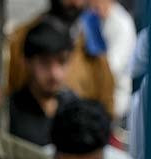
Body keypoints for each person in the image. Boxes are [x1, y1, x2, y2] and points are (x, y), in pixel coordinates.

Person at [8, 0, 116, 116]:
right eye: (45, 62)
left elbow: (107, 107)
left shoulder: (94, 46)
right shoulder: (21, 41)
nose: (75, 2)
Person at [9, 17, 77, 148]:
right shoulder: (10, 112)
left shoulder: (74, 107)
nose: (54, 73)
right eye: (45, 63)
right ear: (27, 62)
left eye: (62, 62)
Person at [86, 0, 137, 118]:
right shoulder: (92, 18)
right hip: (93, 97)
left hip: (115, 100)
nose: (94, 5)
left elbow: (112, 69)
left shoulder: (123, 24)